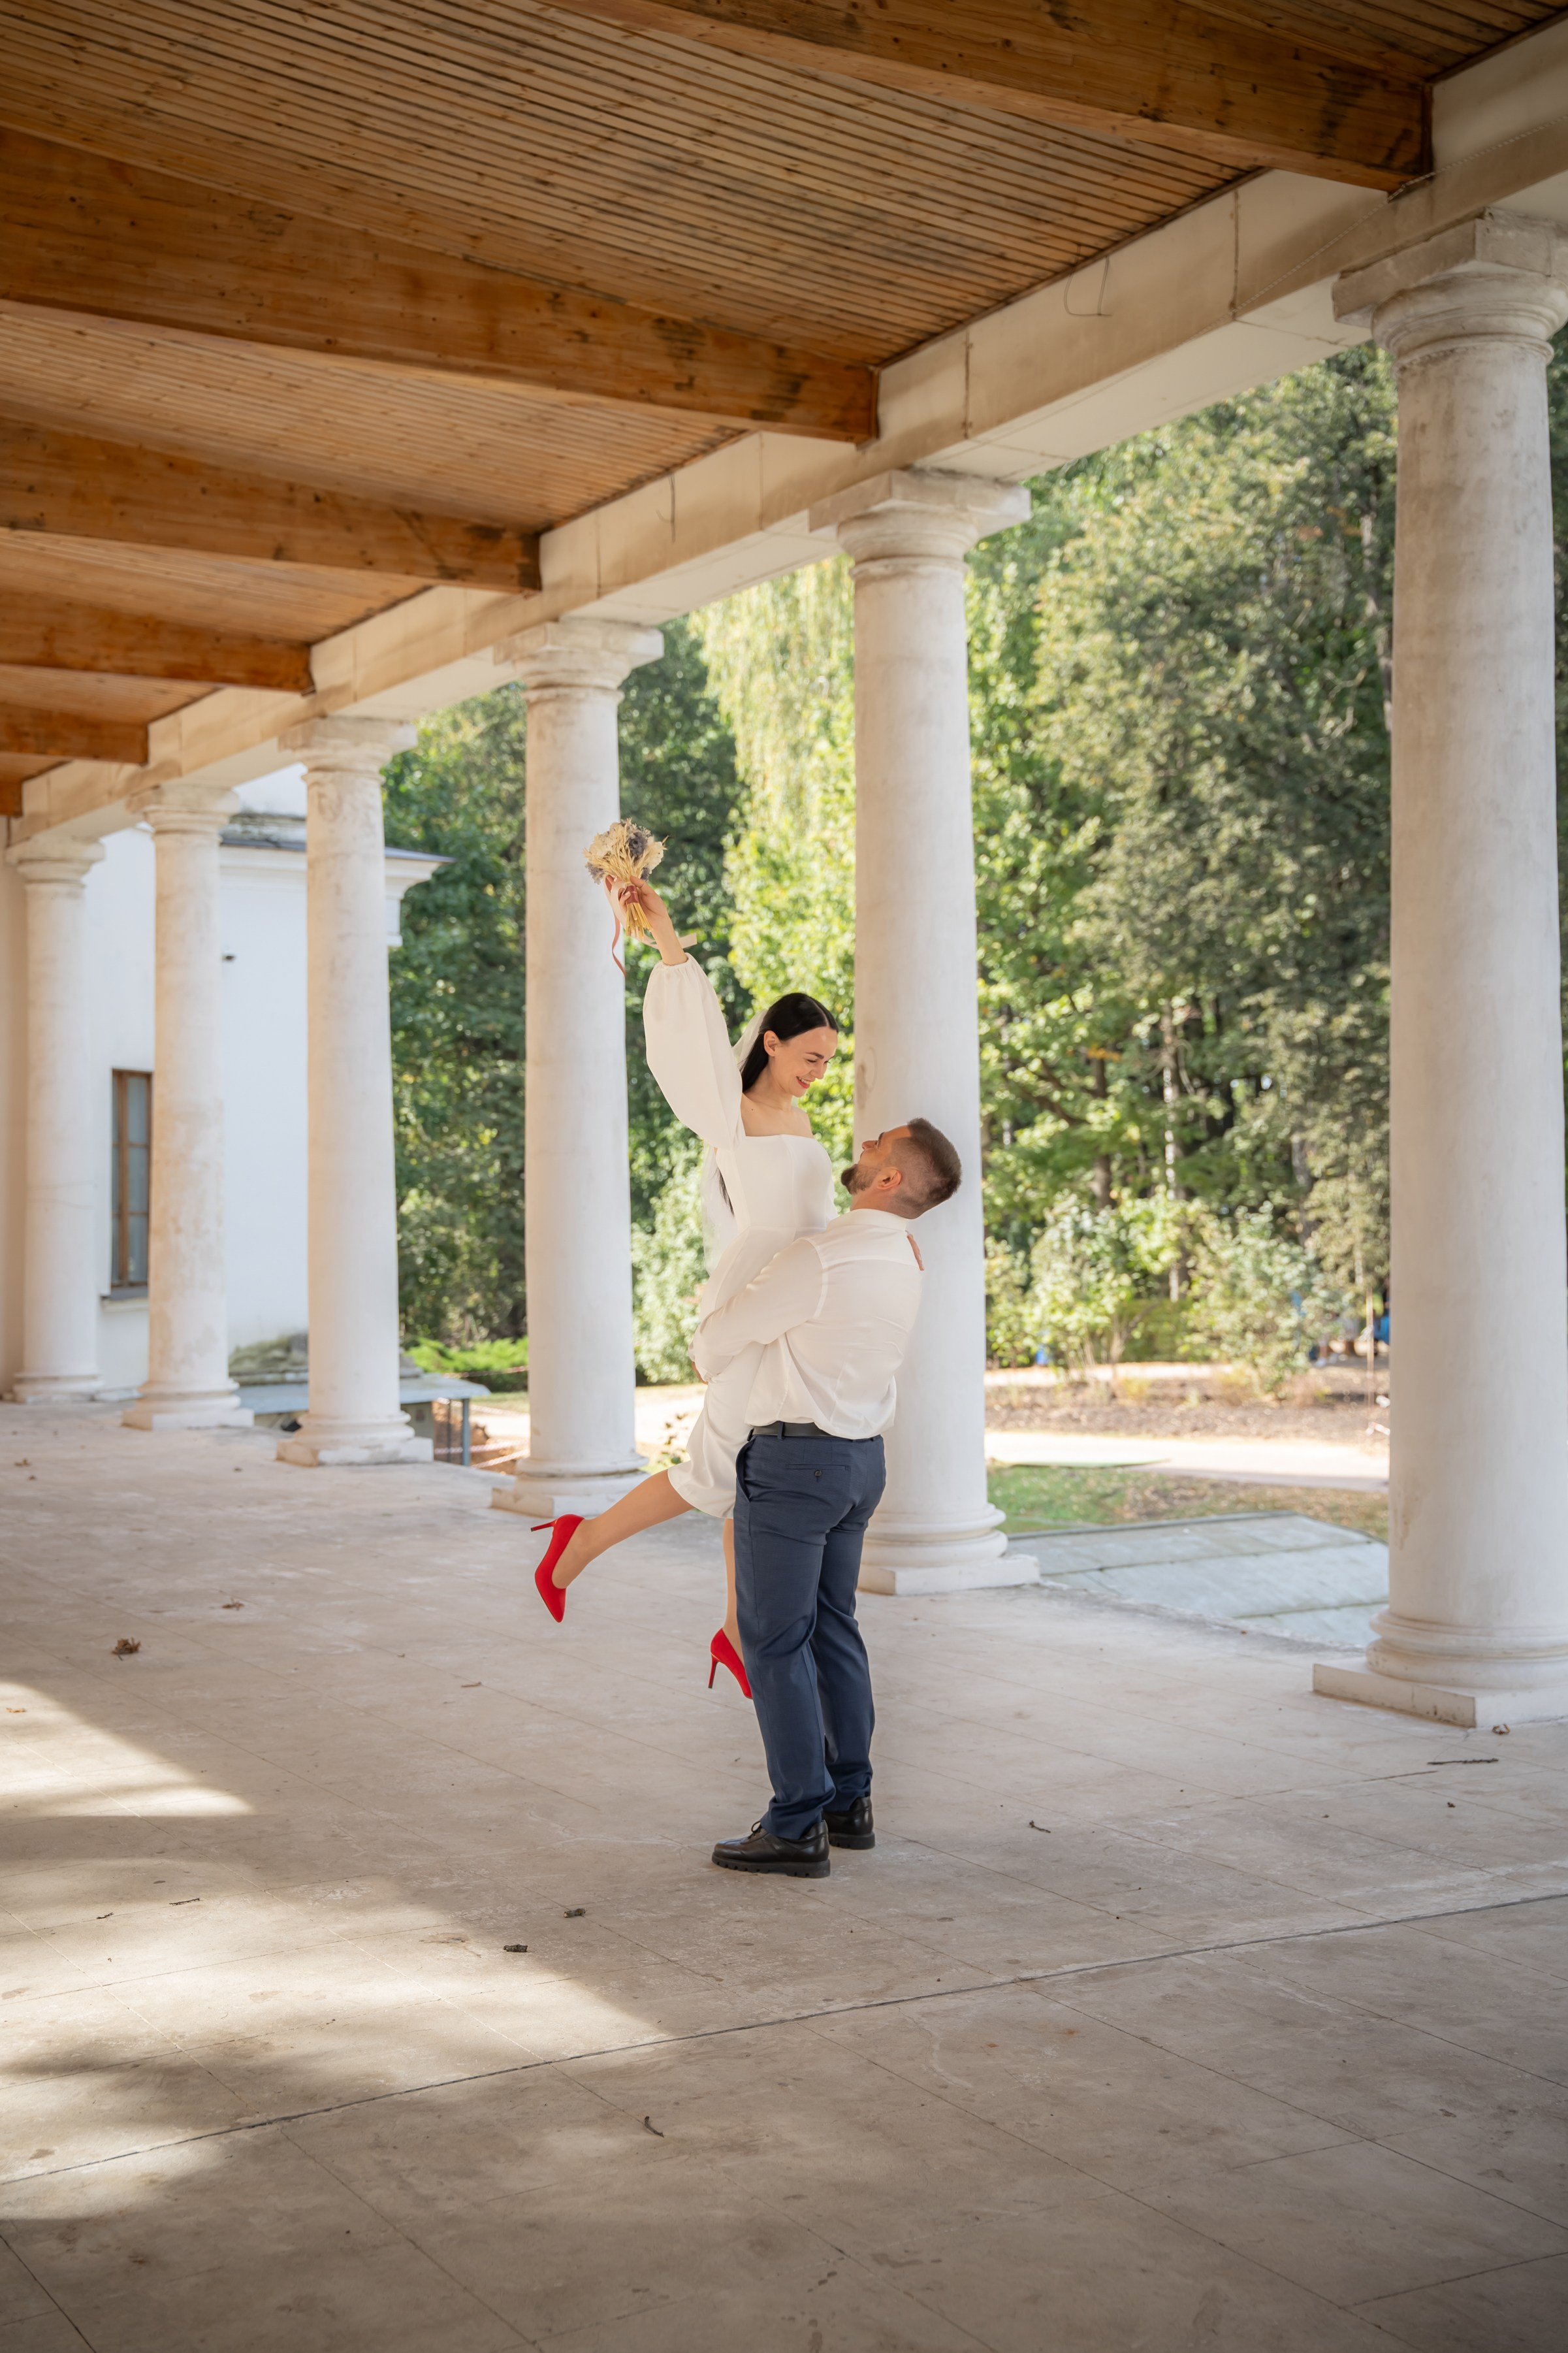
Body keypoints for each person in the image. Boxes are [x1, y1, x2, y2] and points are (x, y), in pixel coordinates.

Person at [530, 875, 840, 1695]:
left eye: (829, 1062)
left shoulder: (804, 1121)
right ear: (771, 1041)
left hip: (800, 1295)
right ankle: (581, 1542)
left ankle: (733, 1626)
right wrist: (665, 938)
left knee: (750, 1463)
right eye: (811, 1056)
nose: (819, 1072)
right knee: (721, 1463)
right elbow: (692, 1036)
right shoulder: (726, 1109)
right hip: (757, 1290)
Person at [703, 1116, 963, 1878]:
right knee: (833, 1628)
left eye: (877, 1143)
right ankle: (849, 1801)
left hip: (793, 1467)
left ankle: (795, 1824)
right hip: (858, 1464)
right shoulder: (904, 1257)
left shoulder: (818, 1255)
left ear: (888, 1180)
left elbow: (713, 1343)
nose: (863, 1142)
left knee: (776, 1640)